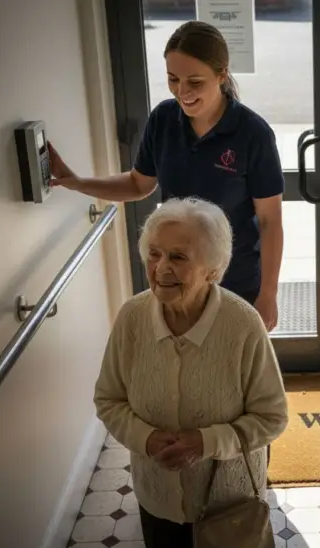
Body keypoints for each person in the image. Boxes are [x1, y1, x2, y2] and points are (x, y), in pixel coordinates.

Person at [93, 197, 288, 548]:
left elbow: (272, 417)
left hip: (230, 502)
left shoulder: (243, 325)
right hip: (158, 498)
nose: (161, 268)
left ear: (213, 269)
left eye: (179, 257)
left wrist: (205, 442)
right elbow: (109, 400)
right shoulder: (132, 318)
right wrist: (146, 440)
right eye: (154, 254)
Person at [48, 20, 285, 332]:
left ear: (221, 74)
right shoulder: (162, 120)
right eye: (173, 79)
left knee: (231, 375)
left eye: (195, 82)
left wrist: (268, 294)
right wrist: (78, 183)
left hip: (235, 281)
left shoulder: (253, 134)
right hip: (175, 277)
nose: (182, 92)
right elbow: (138, 183)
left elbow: (270, 221)